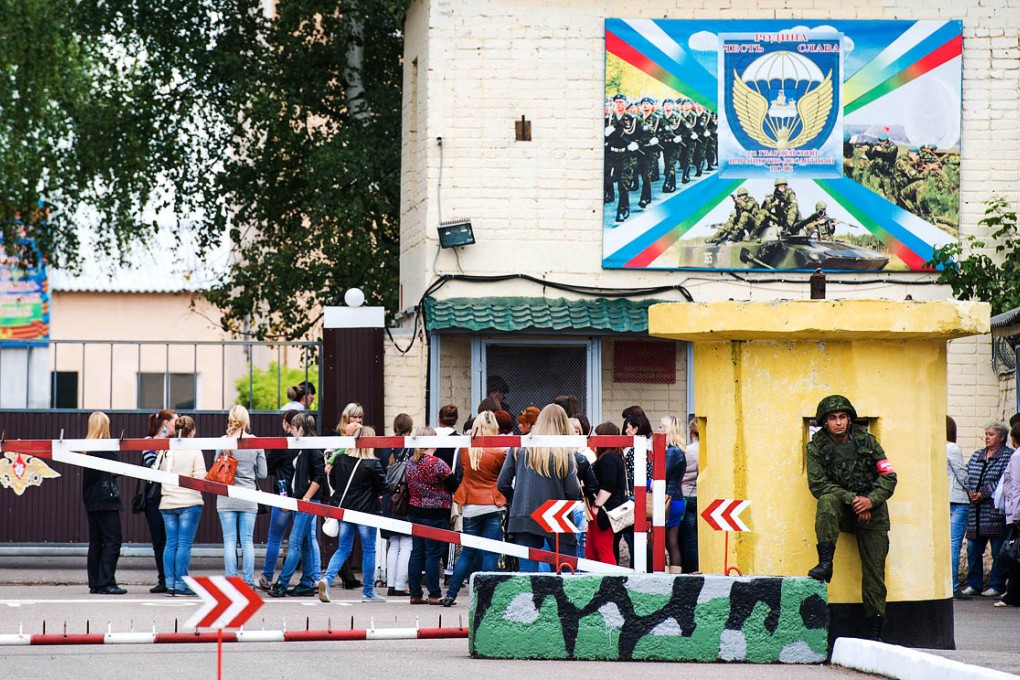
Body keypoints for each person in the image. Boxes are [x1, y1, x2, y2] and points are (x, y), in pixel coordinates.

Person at [806, 395, 897, 640]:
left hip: (873, 512)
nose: (838, 422)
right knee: (826, 500)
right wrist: (855, 500)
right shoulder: (816, 448)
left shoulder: (867, 441)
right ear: (825, 422)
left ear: (849, 419)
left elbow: (888, 476)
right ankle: (825, 563)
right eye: (832, 418)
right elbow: (818, 485)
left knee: (874, 573)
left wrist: (870, 501)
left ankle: (876, 630)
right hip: (843, 509)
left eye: (842, 417)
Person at [497, 404, 581, 572]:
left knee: (528, 578)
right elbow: (573, 491)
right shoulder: (564, 451)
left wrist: (517, 499)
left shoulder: (520, 446)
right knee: (566, 572)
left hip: (524, 514)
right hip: (557, 514)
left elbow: (502, 483)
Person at [441, 411, 508, 606]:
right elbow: (503, 478)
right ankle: (487, 598)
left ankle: (451, 594)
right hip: (493, 504)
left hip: (470, 505)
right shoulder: (500, 451)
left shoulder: (465, 449)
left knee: (467, 554)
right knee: (490, 553)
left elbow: (461, 473)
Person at [318, 424, 387, 603]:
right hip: (366, 512)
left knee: (343, 549)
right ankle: (368, 592)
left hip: (345, 511)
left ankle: (327, 579)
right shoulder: (373, 463)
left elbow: (334, 483)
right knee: (369, 551)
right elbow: (383, 487)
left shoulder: (340, 459)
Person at [269, 412, 326, 597]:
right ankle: (307, 582)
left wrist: (306, 498)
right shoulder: (303, 447)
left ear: (301, 429)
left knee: (294, 543)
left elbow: (319, 475)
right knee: (306, 543)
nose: (291, 432)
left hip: (305, 501)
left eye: (293, 428)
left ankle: (282, 583)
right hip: (299, 500)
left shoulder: (312, 448)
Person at [259, 409, 311, 591]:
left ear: (287, 424)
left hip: (284, 495)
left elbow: (268, 467)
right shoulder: (309, 444)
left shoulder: (282, 444)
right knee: (306, 541)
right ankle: (311, 578)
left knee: (275, 538)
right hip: (304, 496)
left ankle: (267, 576)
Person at [216, 405, 267, 588]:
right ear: (246, 420)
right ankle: (248, 583)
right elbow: (262, 473)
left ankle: (231, 583)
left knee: (229, 541)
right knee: (247, 541)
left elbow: (215, 465)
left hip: (226, 496)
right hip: (248, 496)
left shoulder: (223, 441)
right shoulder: (256, 442)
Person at [962, 421, 1013, 597]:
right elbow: (967, 474)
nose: (987, 437)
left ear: (1001, 437)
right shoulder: (978, 454)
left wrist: (983, 493)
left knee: (997, 550)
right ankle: (974, 584)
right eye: (986, 434)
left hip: (994, 512)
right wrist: (970, 491)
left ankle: (996, 585)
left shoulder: (1007, 456)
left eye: (991, 434)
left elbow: (1004, 480)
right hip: (975, 512)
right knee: (972, 549)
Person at [406, 426, 457, 604]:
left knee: (417, 552)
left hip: (414, 510)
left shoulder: (410, 462)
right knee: (433, 554)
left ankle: (415, 593)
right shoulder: (437, 463)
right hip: (436, 513)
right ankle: (434, 594)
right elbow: (454, 484)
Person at [158, 416, 206, 597]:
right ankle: (181, 584)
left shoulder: (167, 448)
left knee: (171, 543)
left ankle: (170, 583)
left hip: (167, 502)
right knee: (184, 545)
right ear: (192, 431)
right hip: (189, 502)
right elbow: (200, 478)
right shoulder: (194, 450)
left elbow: (158, 471)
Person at [81, 411, 125, 595]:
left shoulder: (86, 448)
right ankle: (107, 582)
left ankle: (95, 583)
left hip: (91, 500)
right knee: (113, 540)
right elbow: (117, 470)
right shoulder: (104, 448)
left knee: (96, 543)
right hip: (106, 499)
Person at [141, 410, 175, 593]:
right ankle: (163, 579)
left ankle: (172, 578)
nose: (178, 424)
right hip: (154, 498)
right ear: (165, 423)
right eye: (175, 421)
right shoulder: (149, 441)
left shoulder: (176, 441)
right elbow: (153, 467)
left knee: (172, 540)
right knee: (159, 540)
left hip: (172, 495)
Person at [587, 422, 629, 565]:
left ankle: (610, 576)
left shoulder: (608, 459)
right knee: (602, 547)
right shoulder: (616, 457)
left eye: (598, 436)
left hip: (605, 510)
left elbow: (607, 487)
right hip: (611, 509)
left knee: (602, 548)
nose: (595, 439)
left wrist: (596, 506)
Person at [384, 414, 414, 596]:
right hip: (404, 498)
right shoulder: (411, 447)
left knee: (393, 542)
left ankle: (390, 584)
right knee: (407, 543)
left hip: (389, 499)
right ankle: (401, 585)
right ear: (410, 428)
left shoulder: (386, 447)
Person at [994, 423, 1020, 607]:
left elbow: (1016, 486)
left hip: (1017, 512)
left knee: (1015, 554)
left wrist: (1016, 514)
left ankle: (1012, 595)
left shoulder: (1017, 456)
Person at [946, 415, 970, 599]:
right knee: (953, 545)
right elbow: (961, 473)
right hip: (957, 499)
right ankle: (953, 586)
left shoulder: (931, 446)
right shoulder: (951, 448)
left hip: (943, 499)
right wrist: (972, 490)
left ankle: (946, 585)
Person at [660, 416, 688, 573]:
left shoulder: (671, 452)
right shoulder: (678, 451)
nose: (658, 430)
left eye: (661, 427)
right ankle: (675, 577)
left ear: (668, 430)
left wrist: (647, 483)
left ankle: (663, 577)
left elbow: (661, 476)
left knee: (658, 542)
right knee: (672, 543)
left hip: (667, 500)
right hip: (676, 499)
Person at [680, 417, 700, 573]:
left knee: (689, 538)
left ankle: (691, 571)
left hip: (687, 496)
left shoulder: (687, 451)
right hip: (702, 497)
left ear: (691, 432)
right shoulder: (709, 450)